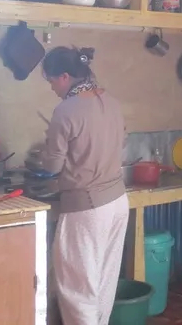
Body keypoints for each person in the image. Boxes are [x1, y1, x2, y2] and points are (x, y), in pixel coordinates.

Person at [41, 46, 128, 325]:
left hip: (86, 208)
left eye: (52, 81)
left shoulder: (65, 110)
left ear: (65, 76)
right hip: (117, 202)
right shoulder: (112, 102)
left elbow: (52, 166)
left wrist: (49, 147)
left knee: (78, 287)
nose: (52, 88)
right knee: (103, 281)